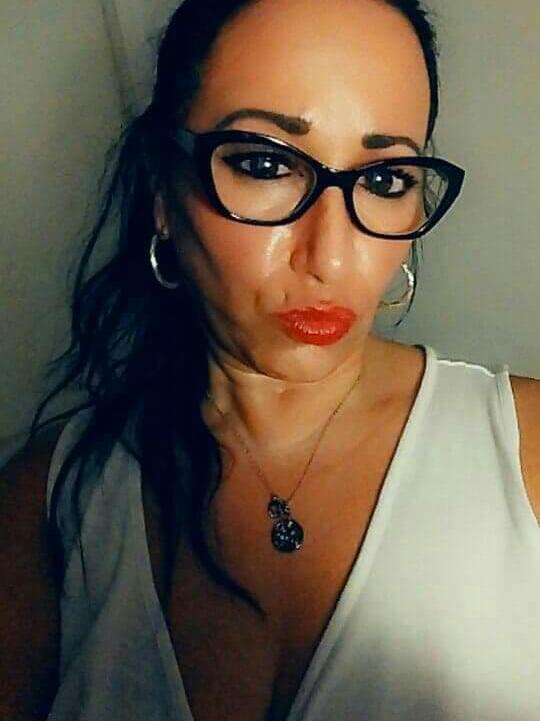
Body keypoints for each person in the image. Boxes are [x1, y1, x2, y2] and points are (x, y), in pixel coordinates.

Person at [1, 0, 539, 719]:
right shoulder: (44, 508)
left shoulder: (527, 458)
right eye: (265, 163)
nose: (331, 257)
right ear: (162, 190)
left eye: (385, 180)